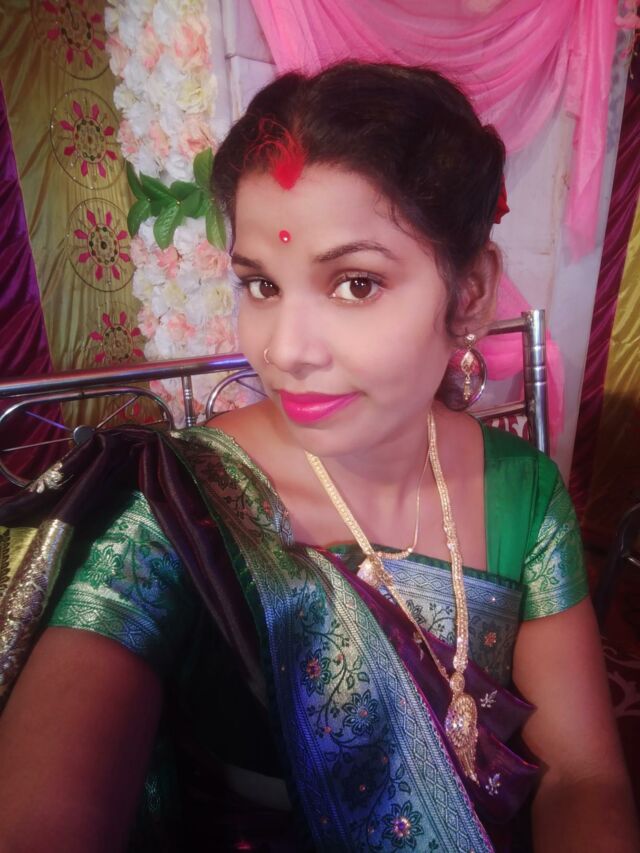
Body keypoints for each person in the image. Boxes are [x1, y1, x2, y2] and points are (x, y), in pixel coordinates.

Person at [0, 62, 636, 853]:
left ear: (469, 294)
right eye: (261, 285)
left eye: (355, 284)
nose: (285, 351)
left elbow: (584, 778)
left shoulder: (525, 491)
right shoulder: (179, 505)